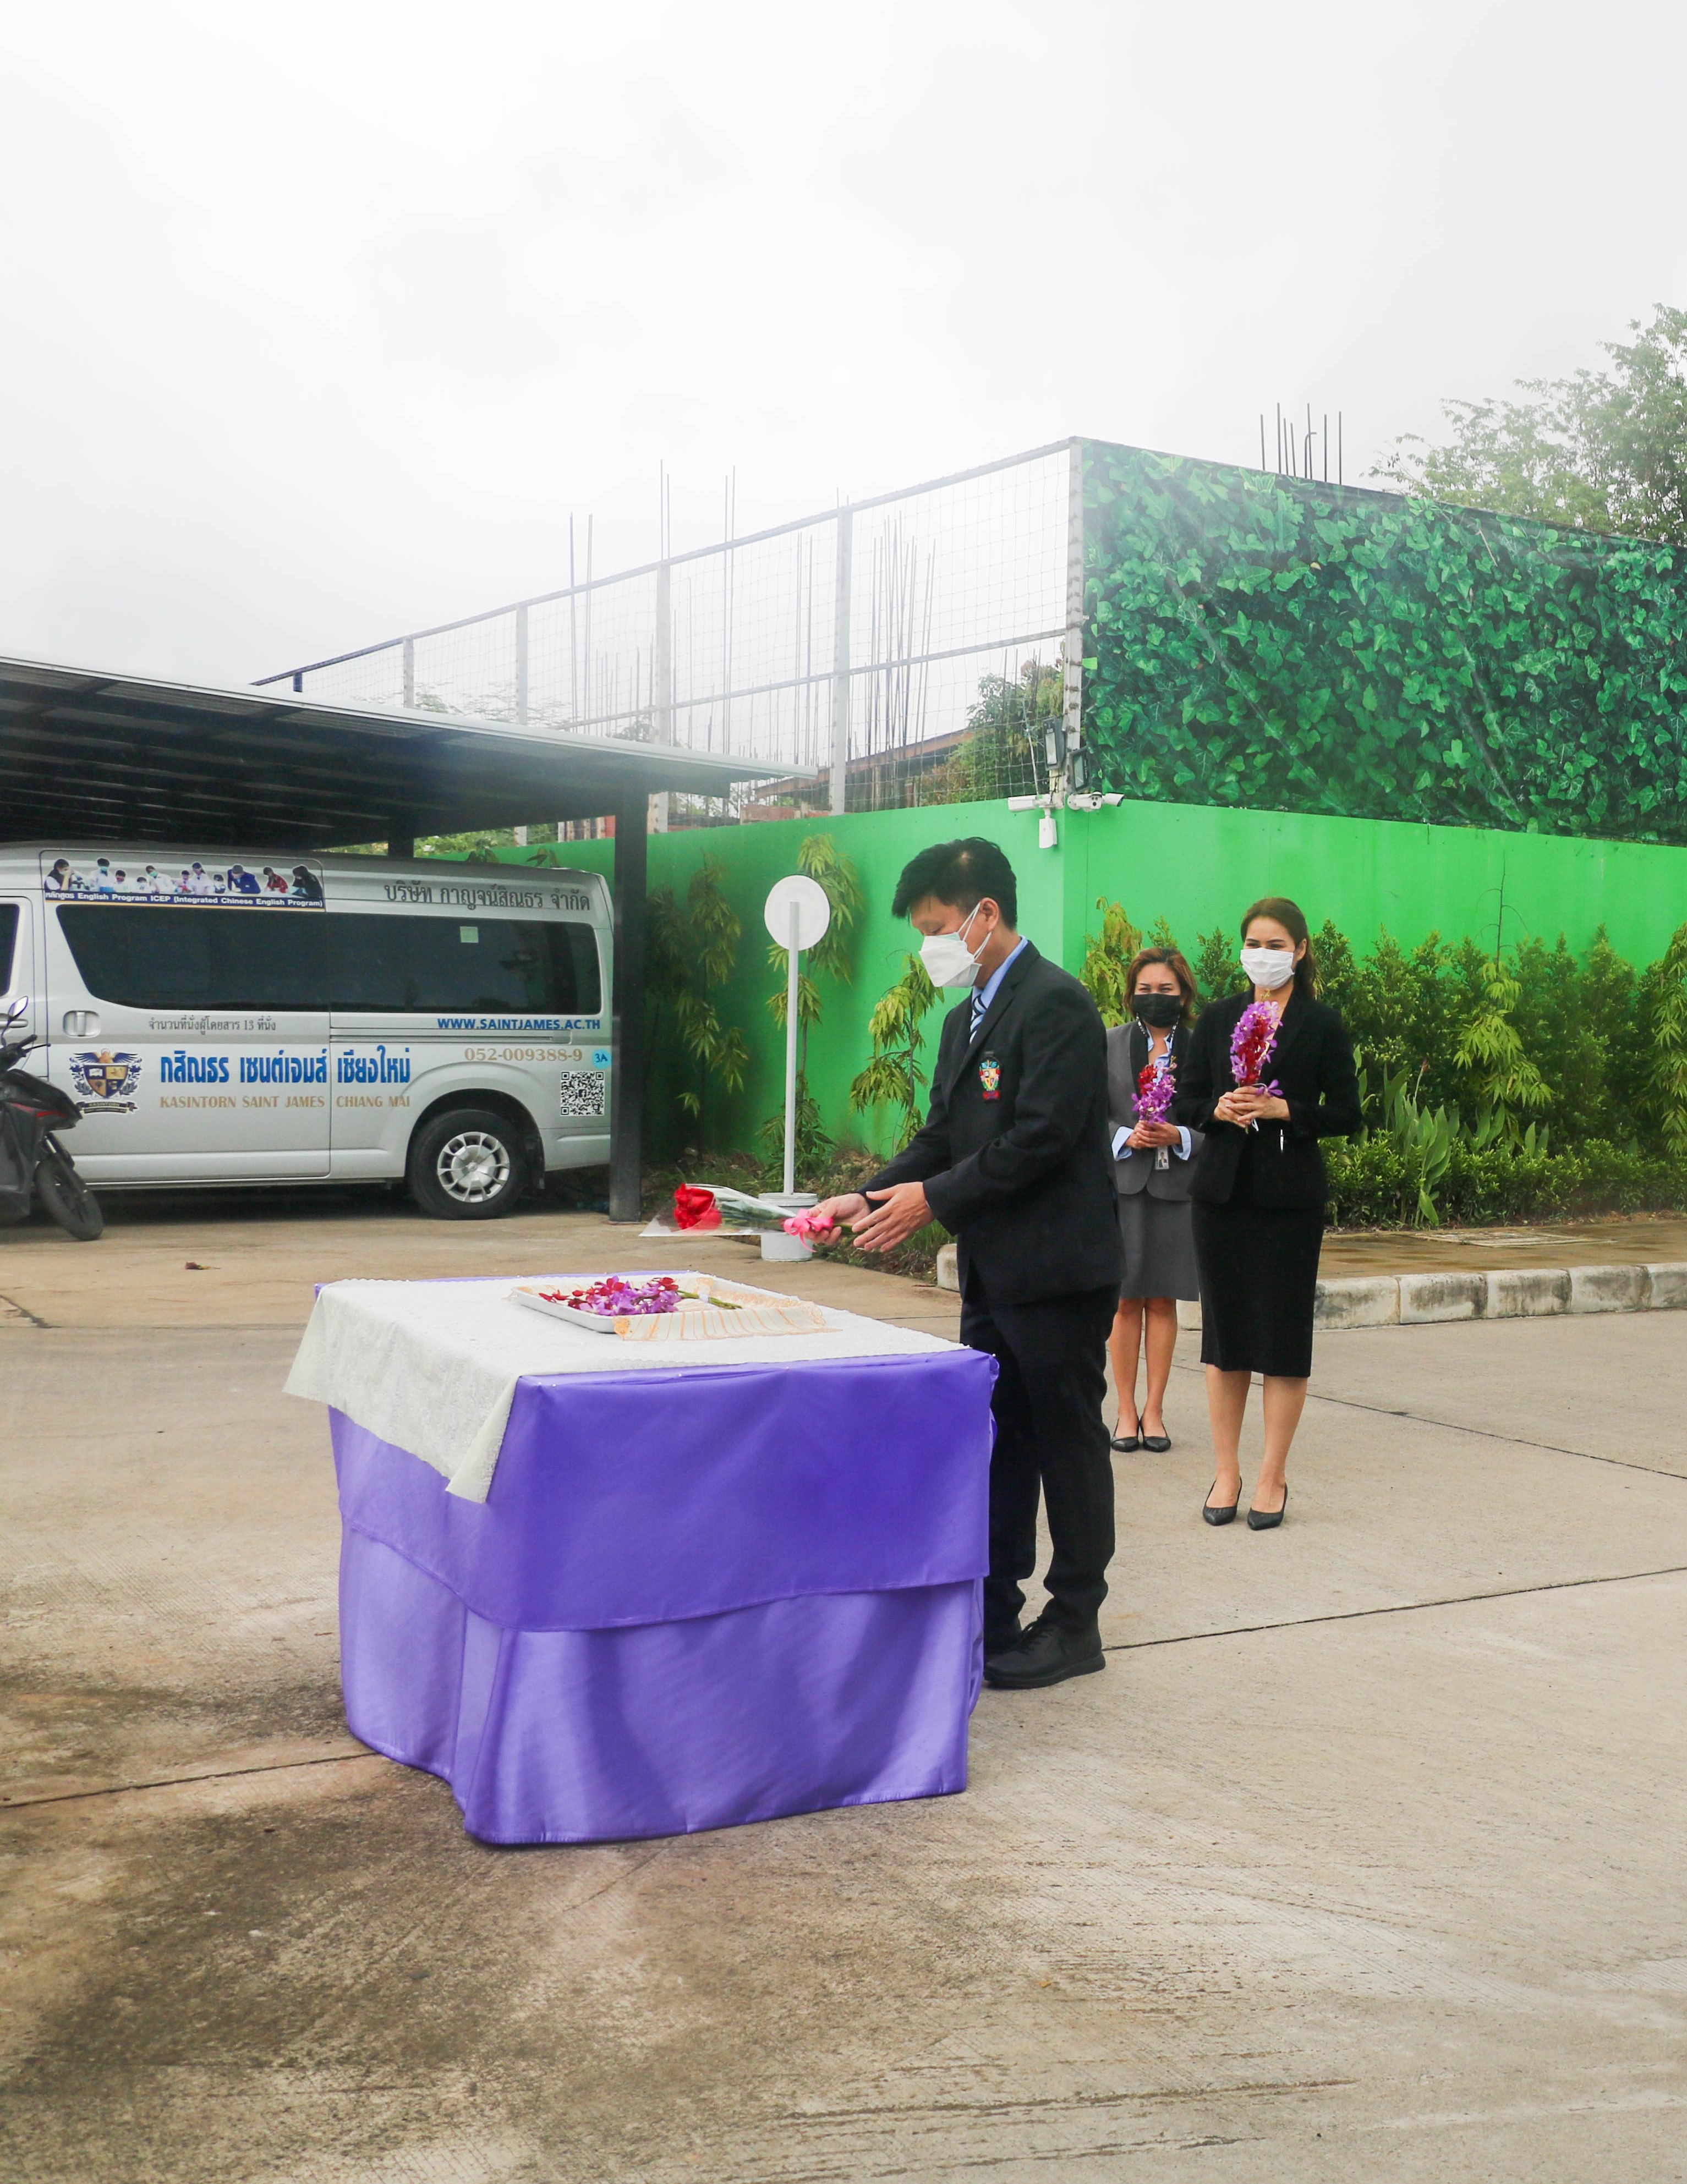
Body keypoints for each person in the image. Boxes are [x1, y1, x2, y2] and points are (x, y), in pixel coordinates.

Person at [813, 837, 1120, 1692]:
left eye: (937, 927)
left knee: (1065, 1443)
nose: (930, 947)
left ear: (985, 913)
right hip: (992, 1271)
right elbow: (943, 1136)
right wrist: (867, 1196)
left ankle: (1075, 1620)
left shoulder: (1055, 1004)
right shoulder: (963, 1019)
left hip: (1056, 1272)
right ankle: (991, 1610)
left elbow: (1041, 1137)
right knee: (998, 1445)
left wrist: (933, 1202)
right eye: (921, 932)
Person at [1174, 897, 1361, 1530]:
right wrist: (1216, 1109)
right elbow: (1185, 1101)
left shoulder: (1321, 1023)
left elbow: (1349, 1113)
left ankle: (1271, 1474)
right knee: (1225, 1341)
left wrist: (1289, 1111)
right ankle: (1226, 1471)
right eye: (1254, 943)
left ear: (1300, 950)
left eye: (1276, 944)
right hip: (1221, 1197)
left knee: (1282, 1341)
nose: (1264, 954)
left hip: (1289, 1201)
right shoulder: (1219, 1017)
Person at [1106, 947, 1202, 1455]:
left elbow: (1221, 1119)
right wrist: (1126, 1136)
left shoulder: (1203, 1047)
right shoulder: (1108, 1043)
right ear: (1131, 993)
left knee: (1163, 1300)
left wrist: (1179, 1135)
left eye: (1165, 989)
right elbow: (1085, 1113)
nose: (1155, 997)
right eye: (1145, 989)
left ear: (1183, 994)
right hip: (1123, 1186)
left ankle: (1155, 1410)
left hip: (1176, 1189)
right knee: (1125, 1301)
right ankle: (1125, 1410)